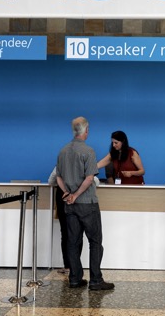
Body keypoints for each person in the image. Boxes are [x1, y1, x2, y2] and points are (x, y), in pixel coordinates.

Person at [55, 117, 114, 291]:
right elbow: (89, 178)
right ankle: (96, 280)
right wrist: (76, 194)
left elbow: (58, 177)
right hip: (88, 203)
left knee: (72, 242)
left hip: (69, 205)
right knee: (95, 242)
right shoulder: (88, 151)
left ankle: (74, 278)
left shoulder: (63, 151)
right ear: (86, 130)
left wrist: (68, 194)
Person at [48, 166, 72, 274]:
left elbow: (51, 181)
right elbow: (95, 181)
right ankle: (75, 265)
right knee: (77, 233)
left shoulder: (60, 165)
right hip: (79, 199)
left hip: (63, 198)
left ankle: (67, 266)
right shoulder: (82, 163)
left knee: (65, 233)